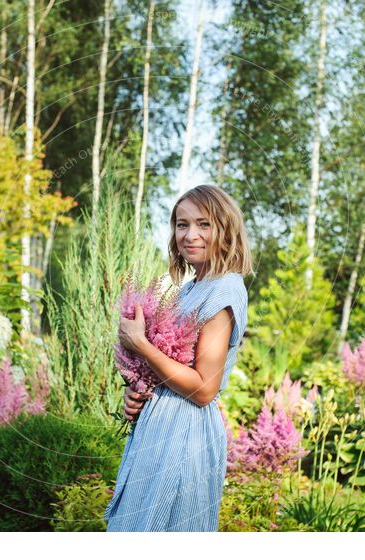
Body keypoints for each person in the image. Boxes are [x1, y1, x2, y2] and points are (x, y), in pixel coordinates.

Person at [104, 184, 253, 532]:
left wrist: (140, 345)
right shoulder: (191, 288)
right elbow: (169, 365)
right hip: (160, 427)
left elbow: (203, 390)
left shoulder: (224, 289)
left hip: (185, 433)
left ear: (225, 229)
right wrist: (139, 390)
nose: (190, 235)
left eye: (204, 224)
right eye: (181, 224)